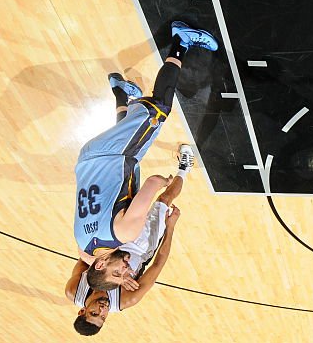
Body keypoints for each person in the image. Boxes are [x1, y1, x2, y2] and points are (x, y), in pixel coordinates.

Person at [74, 21, 216, 288]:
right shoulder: (83, 247)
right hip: (87, 160)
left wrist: (165, 181)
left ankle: (181, 41)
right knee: (126, 131)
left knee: (159, 109)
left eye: (118, 272)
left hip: (114, 155)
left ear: (103, 264)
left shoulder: (125, 233)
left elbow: (152, 183)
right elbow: (86, 261)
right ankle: (120, 92)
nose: (126, 269)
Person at [66, 186, 185, 336]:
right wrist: (170, 227)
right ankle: (184, 167)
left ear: (82, 310)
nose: (103, 310)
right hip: (141, 247)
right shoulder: (126, 299)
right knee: (164, 200)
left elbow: (86, 256)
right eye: (103, 317)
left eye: (94, 313)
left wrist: (114, 274)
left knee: (128, 196)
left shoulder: (74, 291)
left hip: (114, 242)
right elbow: (158, 263)